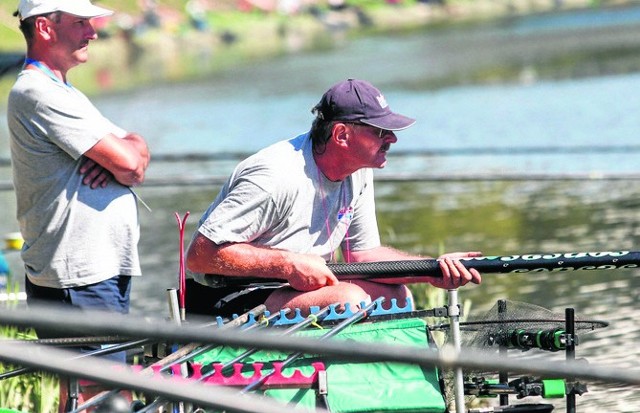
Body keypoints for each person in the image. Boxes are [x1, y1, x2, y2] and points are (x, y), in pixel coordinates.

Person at [185, 78, 481, 317]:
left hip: (291, 289)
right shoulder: (274, 177)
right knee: (350, 300)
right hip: (227, 296)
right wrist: (287, 265)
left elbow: (363, 256)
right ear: (341, 135)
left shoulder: (358, 171)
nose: (392, 139)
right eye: (381, 131)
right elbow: (200, 256)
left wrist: (431, 270)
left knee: (396, 296)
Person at [7, 0, 150, 410]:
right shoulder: (37, 93)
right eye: (81, 22)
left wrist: (128, 152)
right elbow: (129, 163)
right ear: (45, 29)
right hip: (78, 273)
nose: (93, 31)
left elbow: (136, 151)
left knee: (95, 394)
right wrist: (123, 158)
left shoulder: (64, 91)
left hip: (95, 269)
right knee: (104, 398)